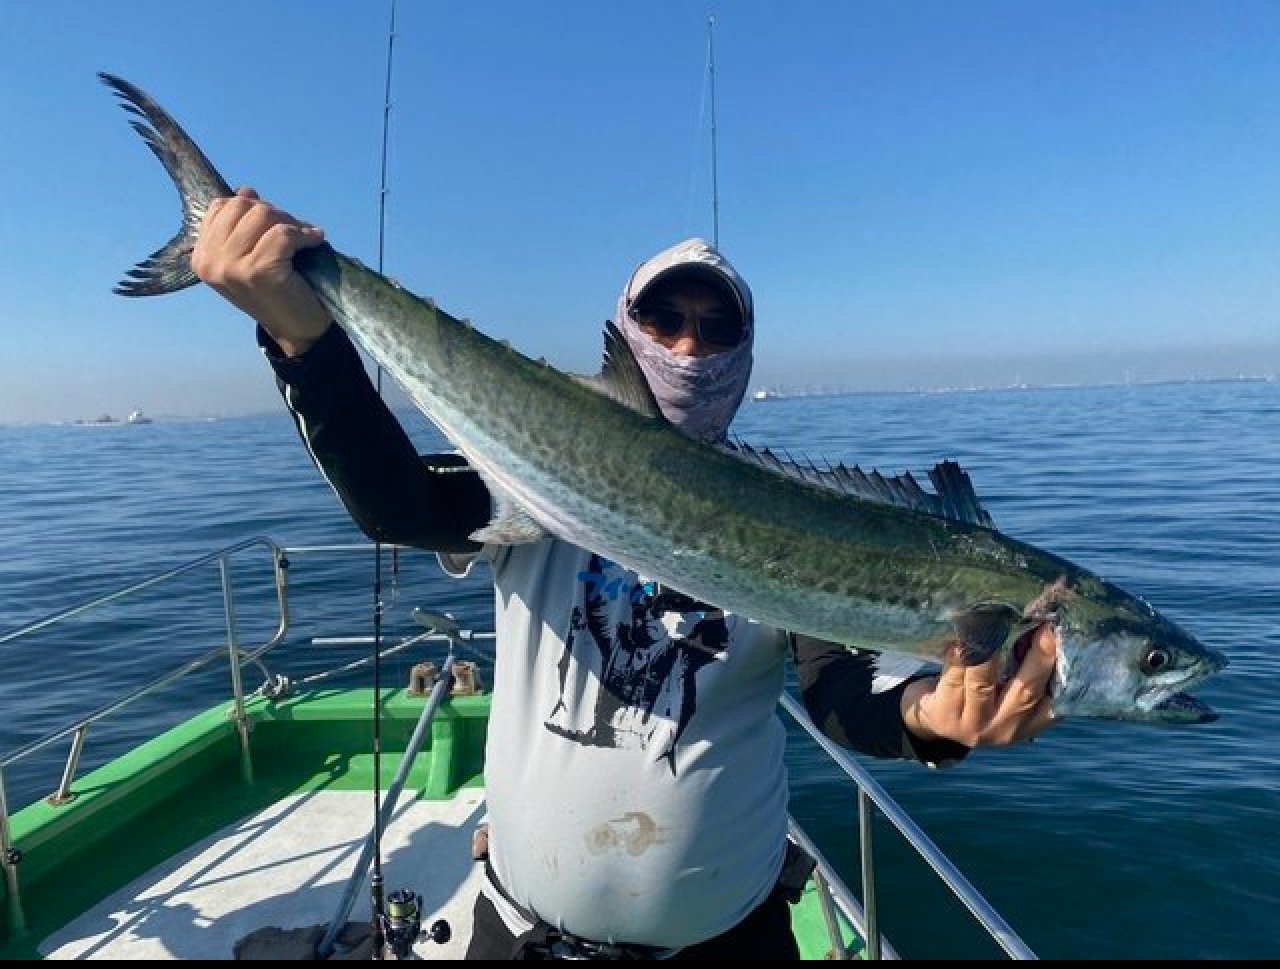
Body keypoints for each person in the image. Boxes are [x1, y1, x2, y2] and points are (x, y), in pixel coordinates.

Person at [192, 188, 1058, 960]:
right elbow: (398, 502)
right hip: (523, 932)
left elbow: (835, 688)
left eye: (717, 328)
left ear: (746, 356)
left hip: (733, 938)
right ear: (625, 330)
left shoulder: (795, 522)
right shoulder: (538, 474)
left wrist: (931, 718)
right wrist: (303, 338)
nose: (690, 343)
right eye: (664, 319)